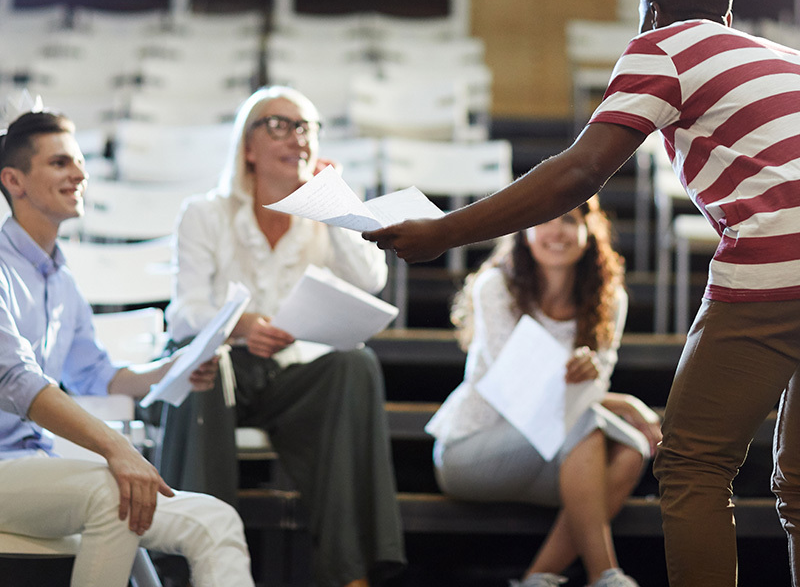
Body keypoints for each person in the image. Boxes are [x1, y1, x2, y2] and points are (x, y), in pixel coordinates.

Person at [364, 0, 800, 587]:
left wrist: (444, 231)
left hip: (779, 261)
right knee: (798, 484)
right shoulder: (784, 60)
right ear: (726, 8)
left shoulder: (665, 47)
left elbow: (578, 172)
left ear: (650, 13)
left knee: (691, 464)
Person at [162, 85, 405, 587]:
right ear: (248, 147)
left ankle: (350, 570)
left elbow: (370, 280)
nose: (296, 137)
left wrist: (338, 204)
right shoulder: (204, 212)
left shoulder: (323, 215)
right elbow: (184, 311)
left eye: (306, 127)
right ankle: (200, 567)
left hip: (286, 377)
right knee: (210, 365)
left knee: (356, 365)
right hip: (222, 366)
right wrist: (241, 325)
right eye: (279, 125)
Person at [0, 109, 255, 587]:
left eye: (78, 161)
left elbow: (100, 375)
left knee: (215, 521)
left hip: (38, 468)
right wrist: (117, 447)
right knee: (116, 492)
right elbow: (16, 381)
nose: (80, 174)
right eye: (60, 163)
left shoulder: (61, 275)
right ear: (14, 181)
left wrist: (171, 368)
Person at [427, 197, 660, 587]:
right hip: (474, 447)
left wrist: (592, 387)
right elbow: (518, 388)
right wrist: (627, 402)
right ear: (525, 232)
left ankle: (537, 579)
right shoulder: (496, 286)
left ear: (589, 231)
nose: (556, 231)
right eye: (543, 220)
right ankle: (606, 575)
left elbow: (584, 394)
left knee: (631, 451)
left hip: (556, 454)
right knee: (585, 421)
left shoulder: (609, 300)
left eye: (568, 219)